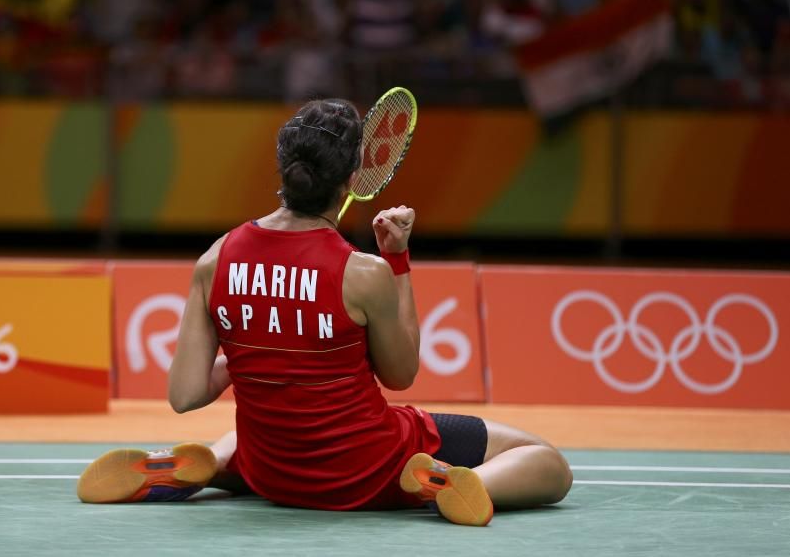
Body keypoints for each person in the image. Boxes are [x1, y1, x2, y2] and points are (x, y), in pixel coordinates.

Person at [77, 99, 573, 526]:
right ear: (354, 178)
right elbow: (402, 375)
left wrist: (251, 354)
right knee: (545, 461)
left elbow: (184, 394)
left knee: (256, 424)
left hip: (274, 474)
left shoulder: (216, 257)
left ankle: (208, 463)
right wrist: (397, 259)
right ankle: (448, 483)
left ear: (283, 167)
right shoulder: (363, 272)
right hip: (370, 472)